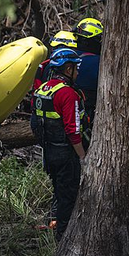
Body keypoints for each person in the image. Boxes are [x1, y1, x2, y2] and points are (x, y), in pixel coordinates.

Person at [31, 47, 86, 242]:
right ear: (68, 69)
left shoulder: (42, 90)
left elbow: (34, 123)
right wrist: (82, 157)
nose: (78, 73)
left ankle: (59, 231)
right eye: (76, 69)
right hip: (65, 153)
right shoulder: (68, 94)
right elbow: (73, 130)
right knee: (67, 197)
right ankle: (65, 239)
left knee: (58, 191)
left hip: (49, 152)